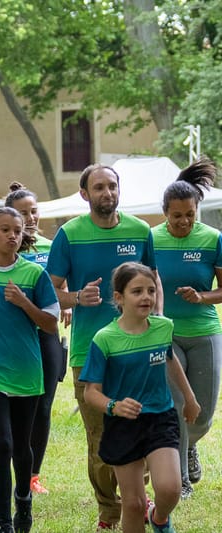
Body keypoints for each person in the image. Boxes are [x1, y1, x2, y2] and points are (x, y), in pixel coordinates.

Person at [46, 163, 161, 530]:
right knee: (100, 439)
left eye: (112, 186)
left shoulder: (140, 230)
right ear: (84, 194)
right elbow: (50, 291)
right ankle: (109, 509)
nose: (107, 193)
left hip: (138, 350)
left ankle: (137, 499)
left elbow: (153, 280)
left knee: (140, 429)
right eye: (98, 187)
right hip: (89, 352)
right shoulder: (70, 234)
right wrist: (76, 297)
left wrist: (157, 325)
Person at [80, 262, 200, 533]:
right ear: (119, 297)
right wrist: (114, 406)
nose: (146, 297)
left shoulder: (163, 327)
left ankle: (159, 518)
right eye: (137, 291)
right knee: (133, 505)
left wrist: (190, 398)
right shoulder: (104, 339)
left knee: (170, 489)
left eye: (151, 290)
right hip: (123, 424)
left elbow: (170, 359)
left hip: (160, 417)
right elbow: (91, 392)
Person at [0, 207, 59, 533]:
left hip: (25, 371)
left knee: (21, 447)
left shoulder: (34, 274)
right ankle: (4, 523)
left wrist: (24, 302)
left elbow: (50, 323)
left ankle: (23, 497)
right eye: (4, 230)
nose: (12, 236)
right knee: (1, 444)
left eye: (17, 231)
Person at [152, 157, 222, 498]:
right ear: (165, 212)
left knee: (203, 413)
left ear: (197, 210)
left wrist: (202, 296)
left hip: (205, 332)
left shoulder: (213, 239)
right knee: (177, 405)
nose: (183, 221)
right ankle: (179, 478)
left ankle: (190, 445)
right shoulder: (151, 239)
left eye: (190, 215)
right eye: (176, 215)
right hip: (166, 334)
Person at [0, 182, 69, 496]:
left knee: (43, 405)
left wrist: (68, 305)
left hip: (45, 333)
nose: (31, 218)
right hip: (11, 337)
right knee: (14, 405)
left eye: (34, 211)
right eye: (23, 213)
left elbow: (61, 285)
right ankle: (12, 464)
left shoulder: (52, 246)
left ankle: (32, 476)